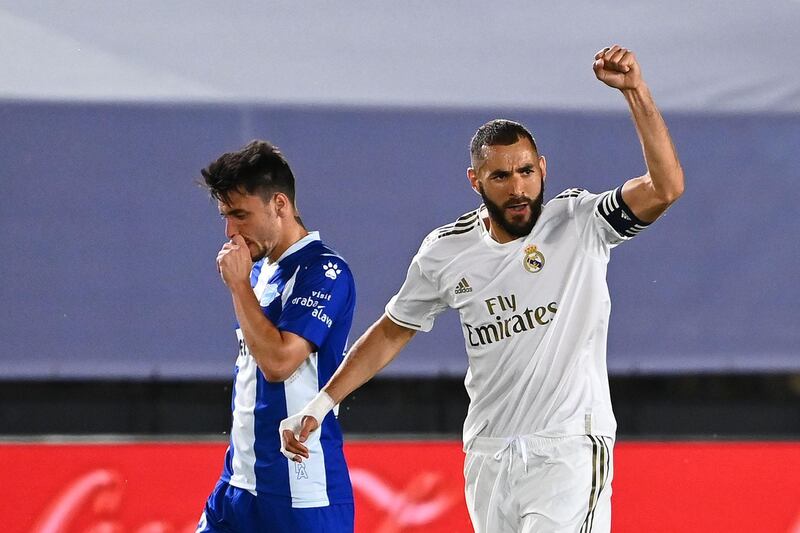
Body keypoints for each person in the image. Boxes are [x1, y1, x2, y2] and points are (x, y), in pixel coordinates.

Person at [280, 45, 684, 532]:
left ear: (543, 169)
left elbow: (665, 187)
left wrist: (636, 91)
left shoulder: (579, 222)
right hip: (489, 455)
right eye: (500, 176)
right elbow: (393, 329)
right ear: (475, 180)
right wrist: (322, 403)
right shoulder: (445, 252)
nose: (517, 188)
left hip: (568, 448)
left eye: (526, 172)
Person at [196, 140, 355, 532]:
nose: (230, 230)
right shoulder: (259, 271)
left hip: (301, 497)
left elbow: (279, 363)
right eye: (224, 216)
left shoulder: (325, 272)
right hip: (237, 488)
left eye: (240, 215)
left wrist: (238, 288)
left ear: (279, 205)